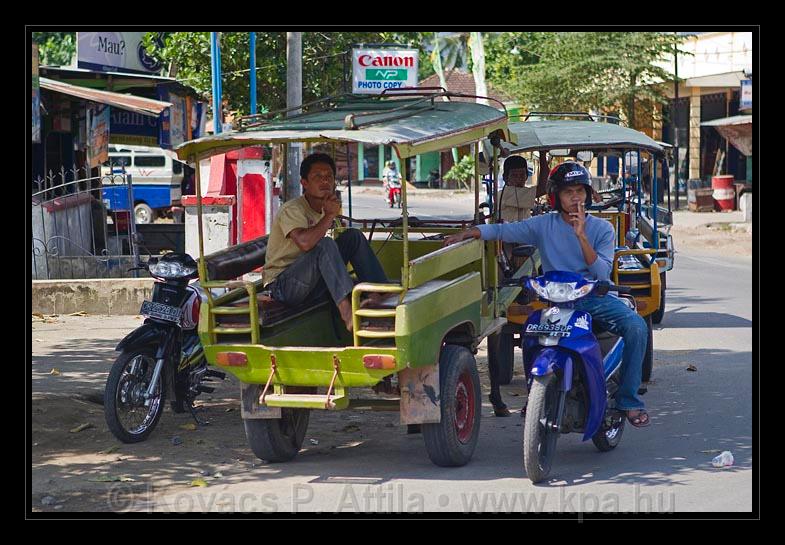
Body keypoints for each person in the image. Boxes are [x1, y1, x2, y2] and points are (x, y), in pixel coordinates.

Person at [443, 161, 650, 428]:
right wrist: (471, 233)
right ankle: (536, 395)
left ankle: (629, 399)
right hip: (558, 300)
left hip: (593, 297)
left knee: (636, 326)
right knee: (530, 335)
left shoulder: (602, 229)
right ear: (556, 196)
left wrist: (581, 237)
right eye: (568, 192)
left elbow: (601, 273)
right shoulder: (544, 225)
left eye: (580, 191)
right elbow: (505, 231)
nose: (575, 197)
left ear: (587, 194)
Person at [262, 153, 389, 332]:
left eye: (329, 177)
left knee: (353, 236)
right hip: (284, 286)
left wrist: (330, 214)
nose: (325, 182)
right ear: (304, 183)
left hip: (312, 280)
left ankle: (379, 295)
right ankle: (347, 314)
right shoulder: (292, 209)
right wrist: (329, 215)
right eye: (318, 177)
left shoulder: (325, 207)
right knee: (325, 245)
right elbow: (305, 243)